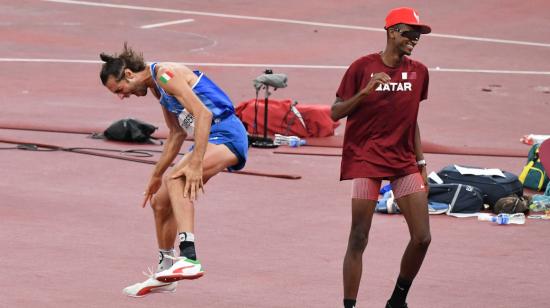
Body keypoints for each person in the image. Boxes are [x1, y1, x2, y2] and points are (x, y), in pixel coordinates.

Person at [99, 43, 248, 297]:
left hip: (227, 134)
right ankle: (166, 272)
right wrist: (155, 175)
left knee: (178, 177)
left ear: (128, 74)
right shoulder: (157, 88)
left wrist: (196, 164)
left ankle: (189, 257)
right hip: (210, 138)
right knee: (160, 202)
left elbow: (203, 115)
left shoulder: (166, 75)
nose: (122, 96)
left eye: (120, 90)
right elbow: (176, 134)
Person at [331, 7, 432, 308]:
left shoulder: (419, 72)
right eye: (410, 33)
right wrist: (365, 92)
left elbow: (411, 119)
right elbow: (336, 112)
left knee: (422, 238)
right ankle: (349, 305)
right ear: (391, 31)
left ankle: (397, 301)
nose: (415, 39)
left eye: (418, 35)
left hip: (402, 161)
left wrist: (421, 162)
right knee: (359, 237)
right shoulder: (362, 67)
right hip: (366, 158)